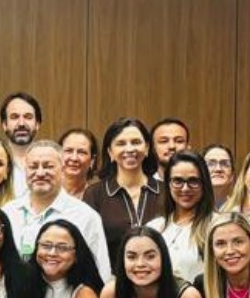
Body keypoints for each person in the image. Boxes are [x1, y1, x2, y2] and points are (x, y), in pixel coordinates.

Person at [3, 141, 112, 280]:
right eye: (33, 167)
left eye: (48, 166)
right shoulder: (8, 212)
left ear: (62, 170)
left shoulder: (86, 216)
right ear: (25, 170)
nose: (40, 173)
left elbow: (101, 274)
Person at [84, 118, 165, 262]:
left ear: (146, 148)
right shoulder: (95, 194)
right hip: (112, 281)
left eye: (136, 142)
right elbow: (88, 246)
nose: (129, 149)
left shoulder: (166, 191)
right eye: (121, 143)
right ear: (110, 152)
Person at [145, 152, 218, 283]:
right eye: (178, 181)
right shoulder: (154, 228)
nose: (185, 188)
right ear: (168, 184)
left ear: (204, 184)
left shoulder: (218, 225)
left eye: (193, 181)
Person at [0, 92, 42, 198]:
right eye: (14, 117)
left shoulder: (51, 161)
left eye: (28, 117)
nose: (21, 123)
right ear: (5, 125)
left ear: (37, 124)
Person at [57, 128, 99, 199]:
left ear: (92, 160)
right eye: (68, 151)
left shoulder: (98, 198)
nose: (74, 158)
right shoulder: (43, 192)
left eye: (81, 152)